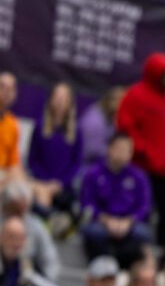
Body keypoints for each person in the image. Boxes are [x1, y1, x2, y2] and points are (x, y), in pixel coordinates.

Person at [116, 53, 165, 252]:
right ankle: (139, 250)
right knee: (144, 210)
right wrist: (144, 151)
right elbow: (125, 126)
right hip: (147, 168)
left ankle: (163, 248)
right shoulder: (136, 95)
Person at [76, 131, 154, 265]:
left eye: (126, 150)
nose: (122, 153)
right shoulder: (93, 173)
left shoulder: (139, 177)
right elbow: (87, 203)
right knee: (93, 232)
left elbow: (144, 207)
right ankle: (100, 268)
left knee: (141, 234)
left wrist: (128, 222)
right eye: (119, 148)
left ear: (131, 154)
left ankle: (123, 269)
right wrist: (105, 220)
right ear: (109, 149)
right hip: (101, 221)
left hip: (128, 223)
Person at [26, 83, 80, 214]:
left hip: (63, 186)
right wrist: (45, 182)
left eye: (64, 98)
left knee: (66, 200)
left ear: (70, 103)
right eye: (57, 97)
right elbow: (32, 160)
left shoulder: (77, 132)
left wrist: (60, 183)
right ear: (51, 99)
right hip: (40, 182)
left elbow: (76, 163)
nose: (60, 101)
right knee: (36, 197)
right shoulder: (40, 127)